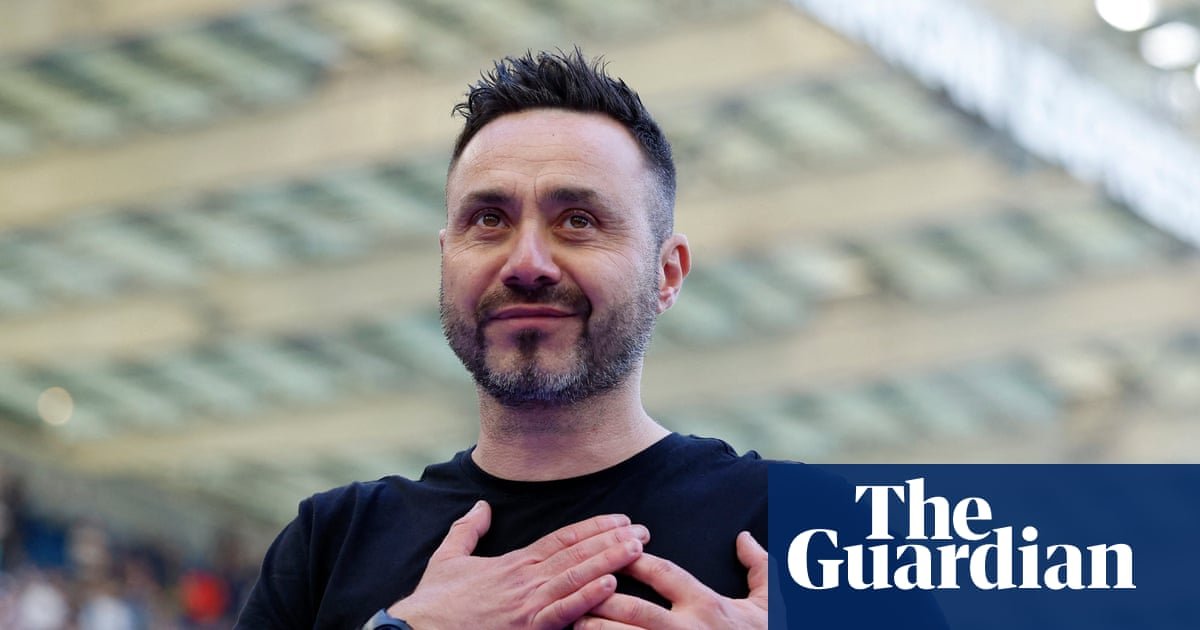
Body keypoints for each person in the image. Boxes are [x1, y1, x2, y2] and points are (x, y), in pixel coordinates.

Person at [235, 48, 770, 630]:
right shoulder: (329, 543)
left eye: (578, 220)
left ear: (666, 274)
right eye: (489, 219)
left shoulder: (809, 524)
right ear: (447, 258)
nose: (527, 263)